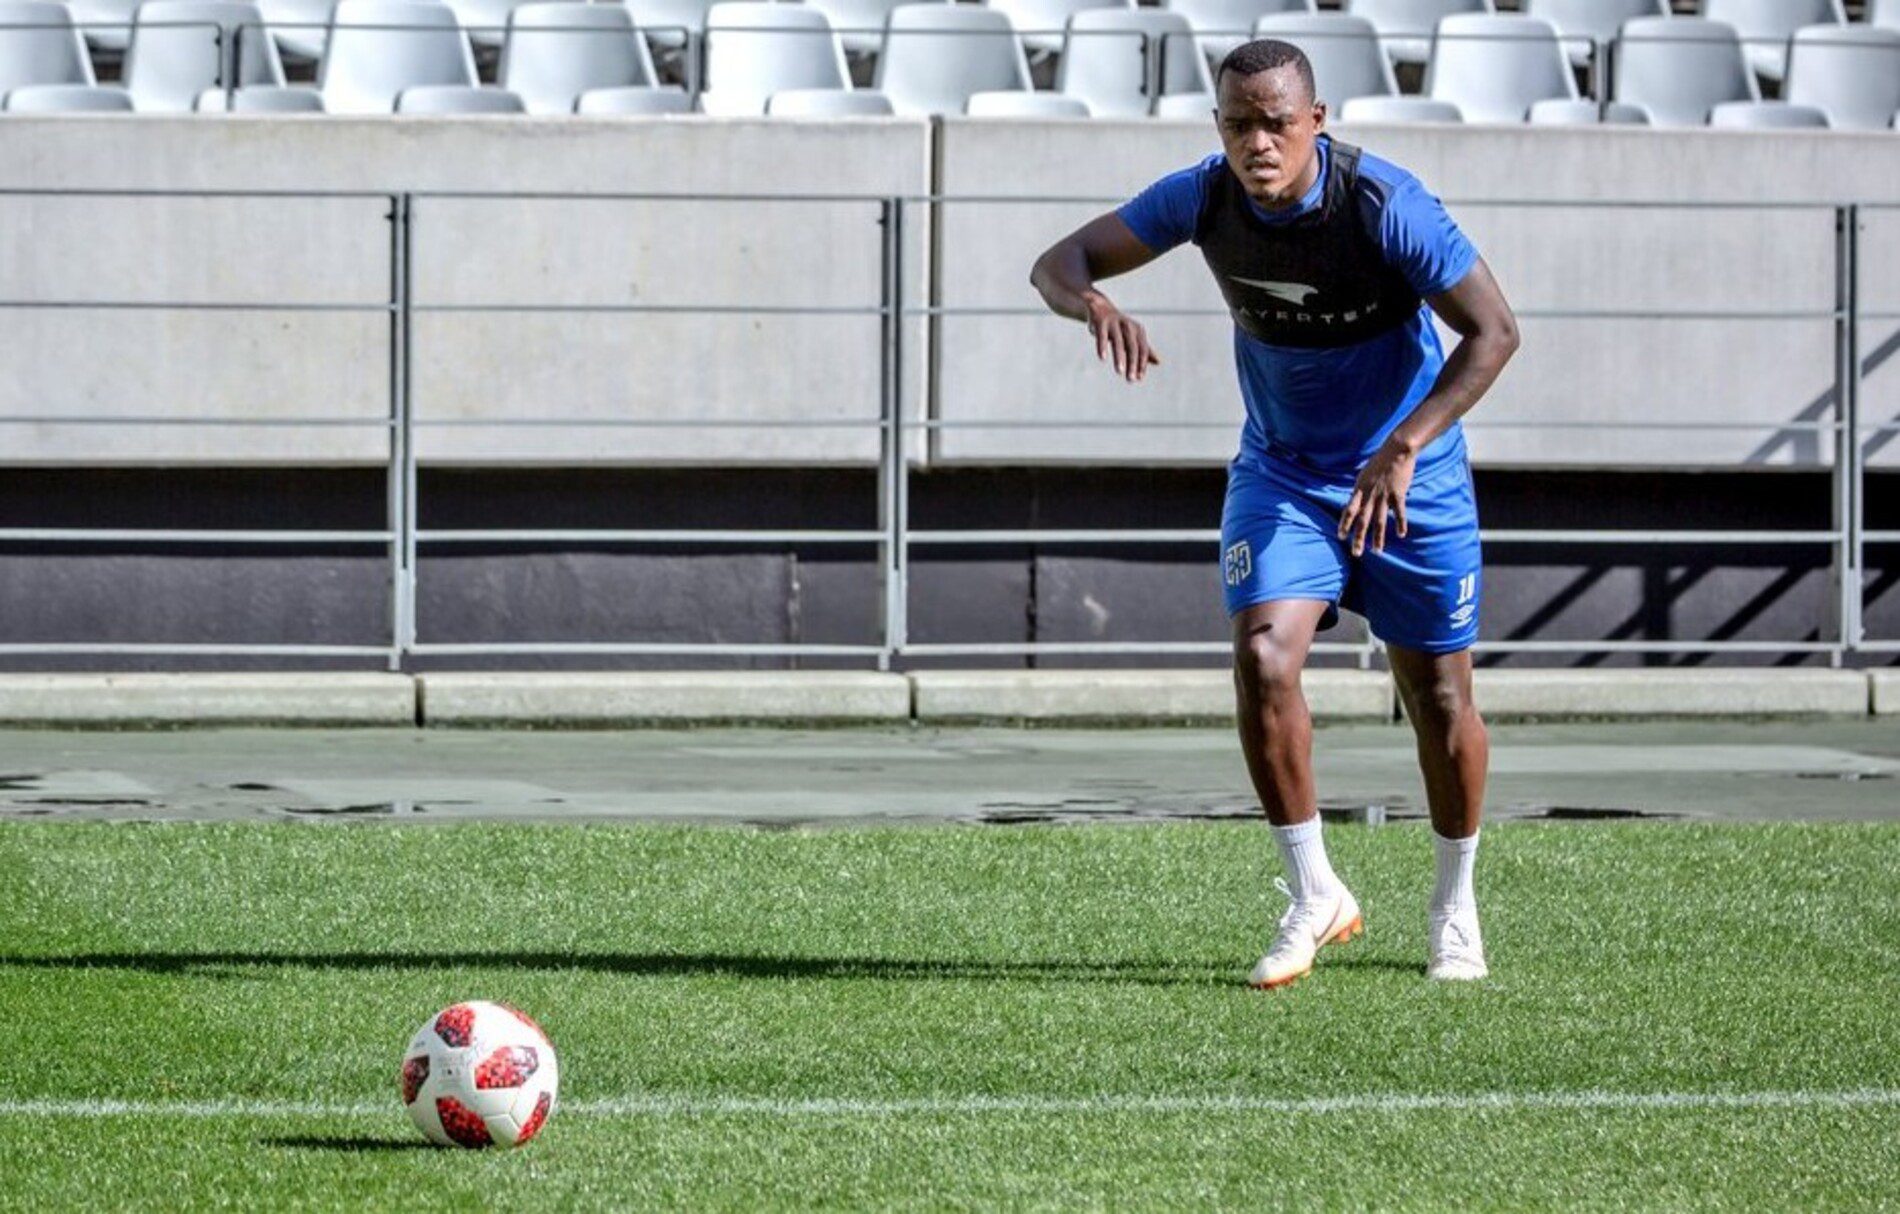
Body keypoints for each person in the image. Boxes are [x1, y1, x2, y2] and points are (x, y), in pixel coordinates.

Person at [1028, 39, 1520, 987]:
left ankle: (1454, 903)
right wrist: (1091, 303)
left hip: (1409, 475)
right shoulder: (1203, 197)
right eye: (1240, 123)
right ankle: (1314, 891)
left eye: (1278, 123)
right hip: (1287, 472)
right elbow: (1060, 260)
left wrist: (1407, 444)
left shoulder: (1385, 205)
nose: (1260, 142)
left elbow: (1494, 333)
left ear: (1316, 122)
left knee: (1442, 699)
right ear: (1220, 127)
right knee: (1263, 655)